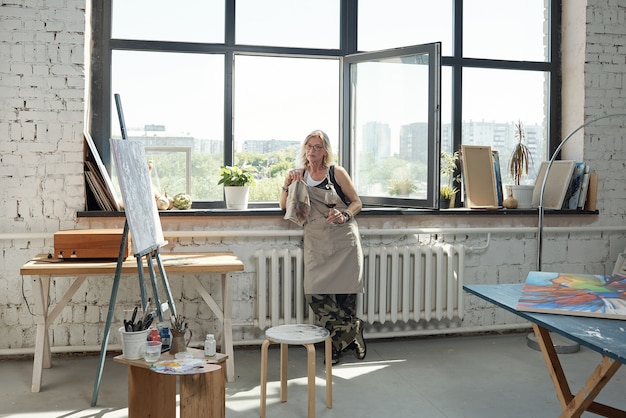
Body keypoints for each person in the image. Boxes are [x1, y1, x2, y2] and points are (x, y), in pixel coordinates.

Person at [279, 129, 366, 364]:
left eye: (317, 147)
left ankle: (337, 348)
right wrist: (287, 185)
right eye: (309, 146)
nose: (312, 151)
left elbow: (357, 202)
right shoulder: (300, 175)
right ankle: (354, 330)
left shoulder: (336, 172)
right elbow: (284, 206)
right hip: (316, 241)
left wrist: (345, 214)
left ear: (325, 151)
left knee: (345, 298)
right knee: (315, 295)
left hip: (343, 240)